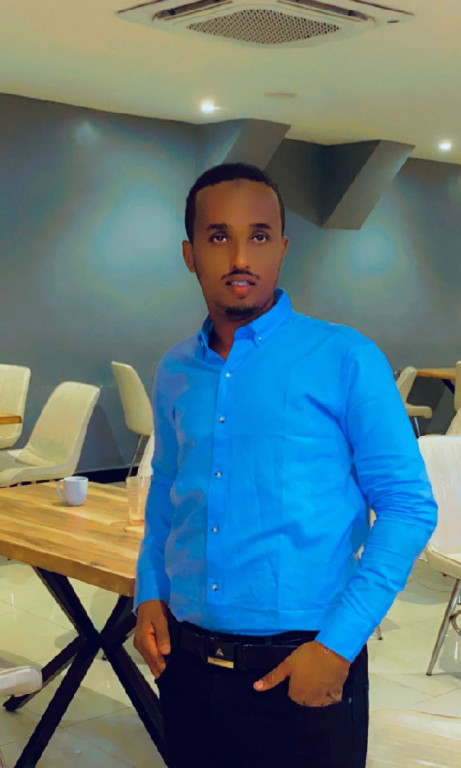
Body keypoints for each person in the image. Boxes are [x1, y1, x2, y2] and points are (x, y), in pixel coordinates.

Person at [134, 163, 437, 768]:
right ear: (190, 255)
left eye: (260, 235)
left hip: (305, 663)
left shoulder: (345, 357)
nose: (240, 256)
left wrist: (339, 645)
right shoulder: (175, 369)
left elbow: (408, 507)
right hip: (187, 664)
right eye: (218, 236)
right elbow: (167, 485)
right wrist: (149, 593)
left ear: (283, 248)